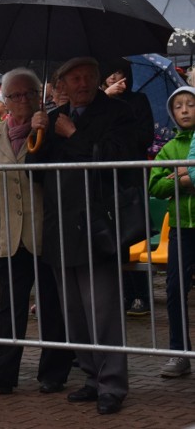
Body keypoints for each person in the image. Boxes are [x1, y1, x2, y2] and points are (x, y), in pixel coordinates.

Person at [29, 57, 140, 415]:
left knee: (103, 310)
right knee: (74, 312)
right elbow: (34, 170)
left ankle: (112, 384)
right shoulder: (55, 115)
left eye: (88, 77)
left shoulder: (118, 113)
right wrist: (38, 133)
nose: (82, 83)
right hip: (60, 224)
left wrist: (73, 135)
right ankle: (91, 377)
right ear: (62, 82)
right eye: (74, 78)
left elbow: (113, 158)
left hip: (97, 225)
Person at [0, 68, 73, 394]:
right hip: (10, 233)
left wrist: (46, 132)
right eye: (14, 95)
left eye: (29, 93)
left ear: (40, 94)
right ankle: (3, 372)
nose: (22, 100)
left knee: (52, 305)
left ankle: (53, 373)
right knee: (9, 307)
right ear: (5, 99)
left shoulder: (53, 128)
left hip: (47, 230)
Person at [101, 59, 155, 316]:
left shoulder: (138, 101)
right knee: (115, 239)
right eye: (110, 73)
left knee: (135, 233)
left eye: (119, 73)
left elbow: (144, 136)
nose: (114, 78)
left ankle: (141, 294)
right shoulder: (99, 103)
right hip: (108, 179)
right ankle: (122, 294)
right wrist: (105, 100)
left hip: (131, 177)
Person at [149, 86, 195, 378]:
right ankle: (179, 353)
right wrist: (183, 179)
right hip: (181, 227)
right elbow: (155, 186)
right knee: (176, 289)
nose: (186, 110)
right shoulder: (169, 148)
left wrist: (178, 174)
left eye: (190, 104)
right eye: (178, 106)